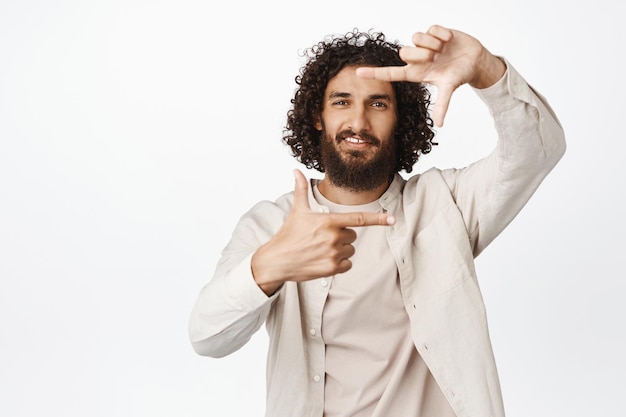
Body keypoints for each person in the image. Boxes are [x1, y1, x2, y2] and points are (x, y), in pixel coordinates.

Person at [188, 24, 566, 417]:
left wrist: (486, 69)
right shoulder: (272, 224)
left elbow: (539, 150)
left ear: (400, 119)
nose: (359, 122)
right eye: (341, 101)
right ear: (317, 116)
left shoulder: (444, 204)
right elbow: (207, 338)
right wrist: (270, 265)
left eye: (378, 104)